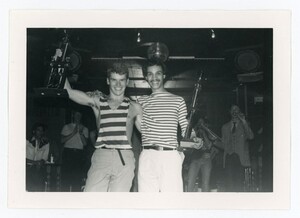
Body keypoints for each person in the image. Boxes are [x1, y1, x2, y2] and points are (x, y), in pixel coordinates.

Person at [63, 60, 141, 192]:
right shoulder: (97, 101)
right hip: (101, 155)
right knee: (91, 200)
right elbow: (69, 92)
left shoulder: (135, 107)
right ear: (108, 81)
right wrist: (60, 67)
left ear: (127, 82)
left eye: (121, 80)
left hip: (124, 157)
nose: (118, 84)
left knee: (117, 205)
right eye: (114, 80)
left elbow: (147, 132)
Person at [137, 61, 203, 192]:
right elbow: (140, 126)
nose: (154, 77)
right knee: (146, 204)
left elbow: (186, 126)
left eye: (158, 73)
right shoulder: (140, 101)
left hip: (170, 156)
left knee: (172, 203)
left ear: (164, 75)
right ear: (146, 77)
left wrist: (194, 139)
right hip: (147, 156)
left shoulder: (178, 100)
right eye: (150, 74)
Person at [220, 104, 254, 192]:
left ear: (239, 112)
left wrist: (244, 121)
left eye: (237, 110)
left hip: (240, 158)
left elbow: (251, 136)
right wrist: (213, 141)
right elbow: (223, 144)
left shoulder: (244, 125)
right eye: (233, 110)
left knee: (239, 184)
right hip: (228, 157)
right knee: (229, 184)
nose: (235, 111)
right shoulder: (225, 127)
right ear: (230, 112)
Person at [61, 110, 89, 191]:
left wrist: (80, 133)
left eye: (79, 115)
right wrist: (73, 133)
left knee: (77, 179)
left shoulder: (85, 128)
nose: (78, 117)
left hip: (79, 155)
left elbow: (85, 144)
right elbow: (62, 140)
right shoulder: (67, 126)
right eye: (76, 115)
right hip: (68, 153)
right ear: (73, 115)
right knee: (66, 178)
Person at [186, 117, 214, 192]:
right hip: (195, 159)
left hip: (206, 159)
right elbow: (189, 144)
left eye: (202, 123)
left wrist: (204, 133)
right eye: (199, 123)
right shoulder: (193, 133)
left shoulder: (208, 132)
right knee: (190, 181)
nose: (200, 125)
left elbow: (209, 145)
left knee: (205, 183)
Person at [26, 123, 50, 191]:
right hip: (27, 167)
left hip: (38, 169)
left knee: (39, 185)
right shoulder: (27, 141)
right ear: (34, 131)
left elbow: (45, 157)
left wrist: (40, 162)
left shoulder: (46, 143)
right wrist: (35, 163)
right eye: (38, 130)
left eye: (42, 131)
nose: (40, 132)